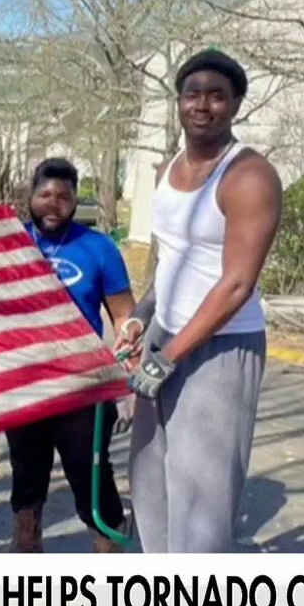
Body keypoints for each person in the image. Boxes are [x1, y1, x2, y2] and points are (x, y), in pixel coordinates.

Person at [114, 48, 282, 554]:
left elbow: (235, 285)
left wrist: (169, 357)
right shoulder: (168, 170)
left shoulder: (250, 177)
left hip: (220, 347)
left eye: (217, 95)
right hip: (167, 336)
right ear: (179, 103)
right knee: (150, 474)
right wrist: (144, 318)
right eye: (193, 94)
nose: (202, 105)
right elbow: (171, 259)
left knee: (201, 497)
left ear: (235, 105)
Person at [3, 158, 137, 554]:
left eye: (64, 196)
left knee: (92, 480)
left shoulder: (99, 248)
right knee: (26, 479)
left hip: (83, 387)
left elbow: (125, 317)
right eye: (45, 194)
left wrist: (126, 382)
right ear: (30, 196)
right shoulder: (8, 245)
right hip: (24, 385)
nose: (53, 203)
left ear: (76, 202)